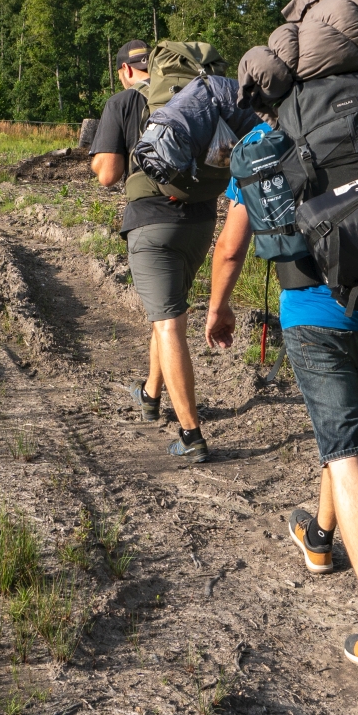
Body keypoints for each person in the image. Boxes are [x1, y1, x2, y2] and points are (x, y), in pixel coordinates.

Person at [203, 119, 358, 674]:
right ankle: (320, 540)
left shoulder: (261, 145)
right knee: (345, 429)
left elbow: (230, 248)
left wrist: (217, 307)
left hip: (315, 318)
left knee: (345, 451)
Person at [89, 40, 219, 462]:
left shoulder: (124, 102)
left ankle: (191, 435)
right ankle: (149, 394)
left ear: (126, 71)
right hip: (200, 223)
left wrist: (94, 156)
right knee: (167, 313)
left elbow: (108, 174)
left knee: (168, 326)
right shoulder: (192, 95)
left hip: (152, 225)